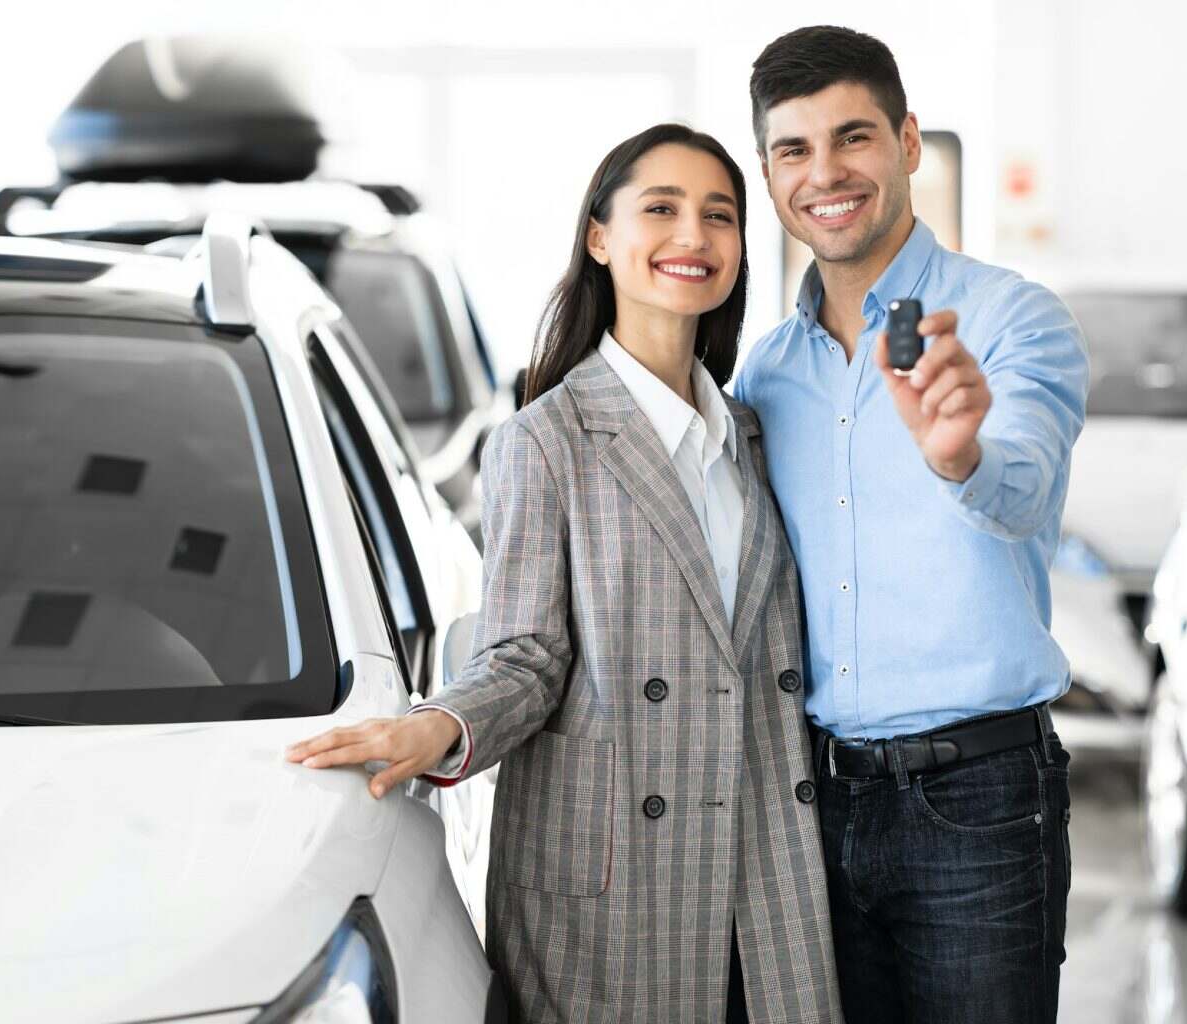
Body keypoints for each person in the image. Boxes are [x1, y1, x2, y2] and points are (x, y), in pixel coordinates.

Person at [288, 123, 841, 1023]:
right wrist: (439, 726)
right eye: (660, 208)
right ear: (599, 237)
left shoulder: (753, 435)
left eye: (719, 215)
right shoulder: (543, 441)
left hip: (763, 863)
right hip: (619, 874)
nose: (693, 236)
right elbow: (525, 655)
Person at [733, 25, 1090, 1024]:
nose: (825, 173)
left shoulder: (1013, 320)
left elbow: (1024, 487)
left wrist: (959, 455)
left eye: (853, 137)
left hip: (979, 805)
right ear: (769, 173)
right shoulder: (765, 372)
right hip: (814, 802)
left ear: (907, 141)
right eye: (794, 149)